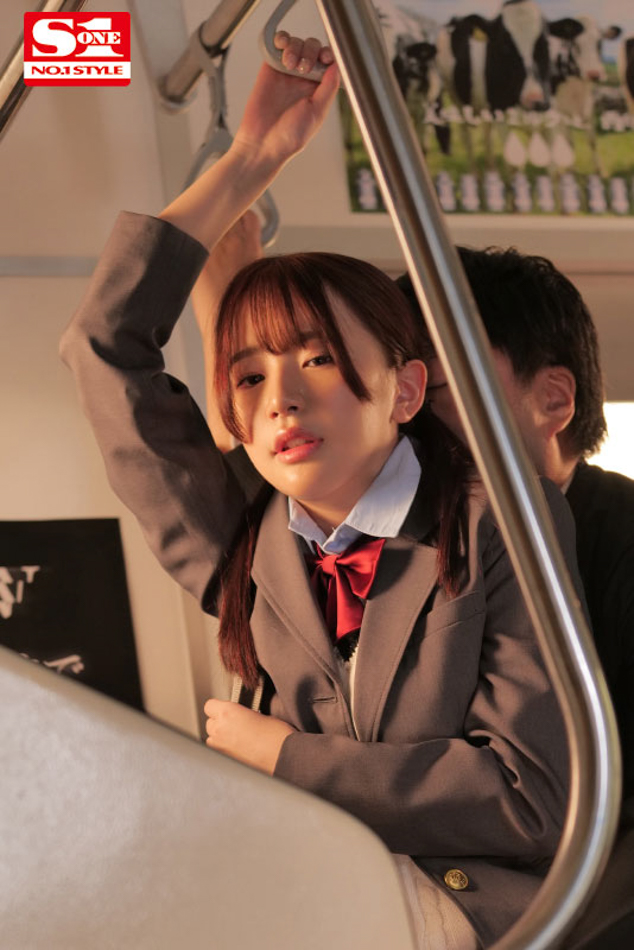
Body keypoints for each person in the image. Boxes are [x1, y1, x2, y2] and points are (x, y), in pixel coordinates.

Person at [60, 38, 586, 950]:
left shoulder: (495, 518)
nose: (282, 401)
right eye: (250, 378)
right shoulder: (248, 540)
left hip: (459, 902)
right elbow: (103, 347)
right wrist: (251, 159)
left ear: (406, 391)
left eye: (317, 361)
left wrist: (288, 760)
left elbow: (528, 795)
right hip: (299, 876)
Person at [397, 256, 634, 948]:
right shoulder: (398, 542)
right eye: (393, 387)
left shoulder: (622, 536)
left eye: (434, 388)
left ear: (552, 400)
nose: (405, 414)